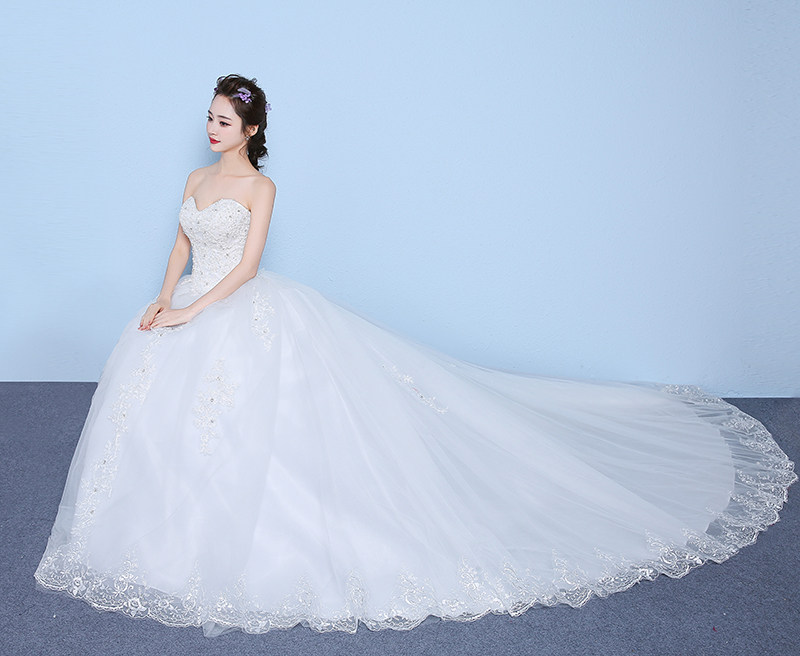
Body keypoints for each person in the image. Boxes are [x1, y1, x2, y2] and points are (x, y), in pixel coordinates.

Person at [34, 73, 796, 638]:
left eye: (224, 121)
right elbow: (181, 242)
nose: (211, 129)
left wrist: (194, 310)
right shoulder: (195, 178)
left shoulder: (261, 187)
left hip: (231, 307)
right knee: (157, 418)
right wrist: (162, 299)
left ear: (252, 129)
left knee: (265, 424)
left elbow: (247, 267)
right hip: (185, 304)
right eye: (208, 117)